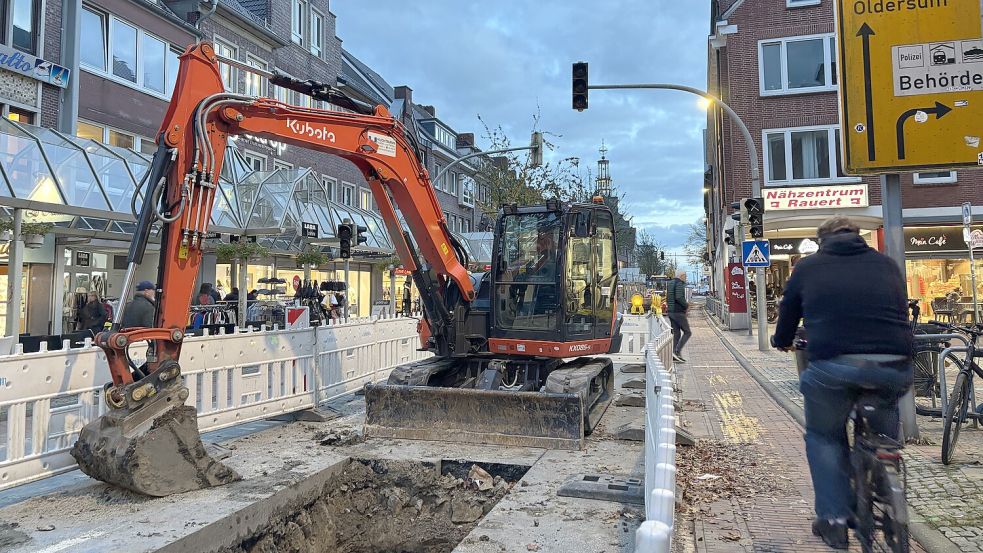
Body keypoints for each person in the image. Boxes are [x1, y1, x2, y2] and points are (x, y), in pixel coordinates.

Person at [771, 217, 912, 549]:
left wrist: (781, 340)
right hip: (893, 363)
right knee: (885, 406)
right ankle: (885, 463)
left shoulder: (808, 268)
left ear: (822, 241)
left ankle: (834, 520)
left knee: (824, 438)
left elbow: (789, 314)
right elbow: (901, 310)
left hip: (833, 366)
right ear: (859, 237)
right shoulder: (886, 265)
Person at [666, 269, 691, 363]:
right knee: (687, 332)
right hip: (678, 312)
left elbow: (669, 297)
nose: (686, 277)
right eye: (685, 276)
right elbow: (679, 297)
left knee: (676, 333)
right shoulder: (679, 283)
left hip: (671, 311)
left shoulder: (671, 283)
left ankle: (673, 353)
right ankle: (677, 351)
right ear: (681, 276)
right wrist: (686, 305)